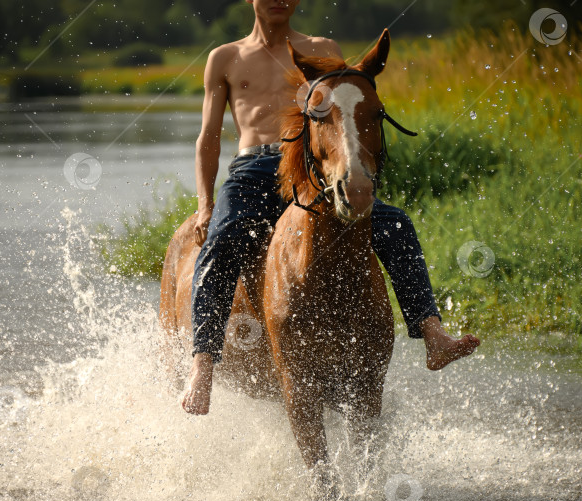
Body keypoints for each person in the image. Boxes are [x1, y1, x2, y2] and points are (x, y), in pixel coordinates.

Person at [181, 0, 480, 415]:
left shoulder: (322, 48)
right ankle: (203, 363)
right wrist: (204, 203)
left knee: (395, 224)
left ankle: (433, 335)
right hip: (252, 167)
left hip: (307, 164)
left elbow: (341, 116)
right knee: (222, 239)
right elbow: (209, 137)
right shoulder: (225, 57)